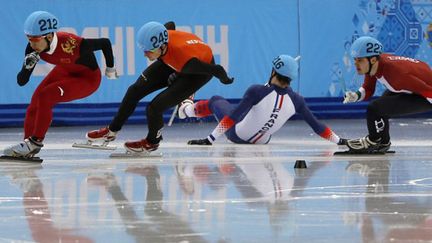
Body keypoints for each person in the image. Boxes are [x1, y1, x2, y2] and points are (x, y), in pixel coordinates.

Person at [85, 21, 233, 154]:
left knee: (154, 108)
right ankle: (111, 130)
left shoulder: (187, 62)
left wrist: (226, 80)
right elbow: (170, 24)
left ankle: (152, 142)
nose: (145, 54)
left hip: (196, 72)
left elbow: (217, 70)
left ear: (161, 46)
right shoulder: (163, 38)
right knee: (134, 90)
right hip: (174, 58)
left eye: (148, 51)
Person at [2, 11, 117, 158]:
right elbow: (21, 81)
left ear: (49, 36)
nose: (32, 44)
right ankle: (27, 144)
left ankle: (35, 143)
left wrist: (110, 69)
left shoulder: (74, 44)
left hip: (88, 79)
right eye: (29, 39)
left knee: (46, 96)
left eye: (35, 39)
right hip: (65, 70)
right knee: (35, 102)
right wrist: (28, 67)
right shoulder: (32, 48)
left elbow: (105, 43)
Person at [184, 55, 346, 146]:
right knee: (249, 113)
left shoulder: (257, 90)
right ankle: (187, 110)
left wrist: (209, 140)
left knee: (216, 100)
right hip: (263, 141)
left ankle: (186, 109)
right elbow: (318, 127)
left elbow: (232, 117)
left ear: (273, 72)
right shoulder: (298, 100)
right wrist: (341, 141)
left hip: (236, 135)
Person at [342, 36, 432, 153]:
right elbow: (368, 88)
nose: (355, 64)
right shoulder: (373, 65)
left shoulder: (397, 75)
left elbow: (427, 90)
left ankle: (373, 141)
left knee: (375, 108)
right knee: (381, 106)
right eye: (355, 59)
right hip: (414, 85)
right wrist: (356, 96)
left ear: (373, 60)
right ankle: (383, 142)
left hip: (425, 94)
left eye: (360, 60)